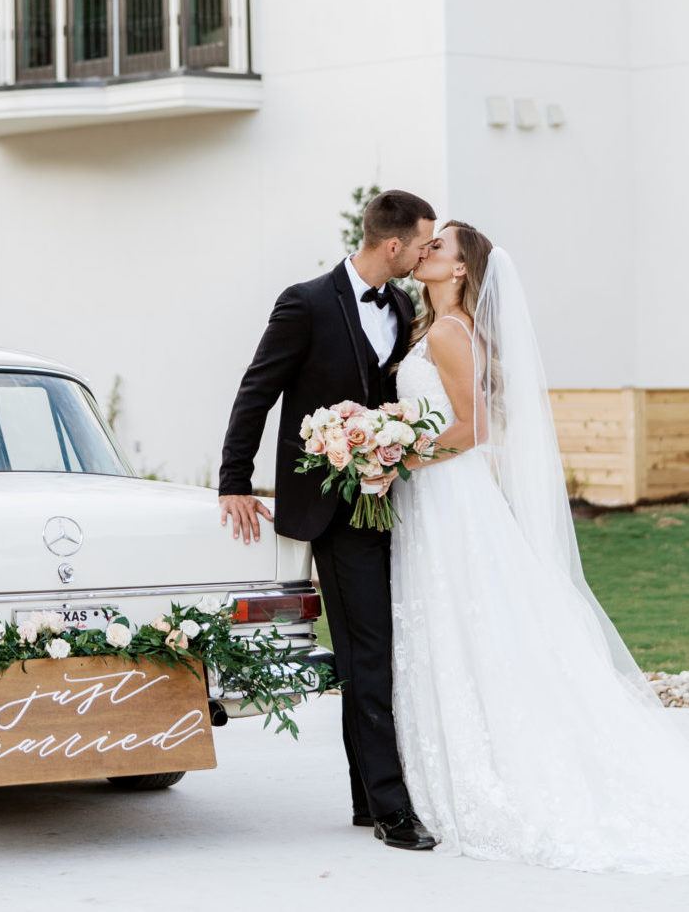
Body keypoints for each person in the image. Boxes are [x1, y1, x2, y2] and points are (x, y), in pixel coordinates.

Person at [391, 221, 689, 873]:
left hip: (446, 492)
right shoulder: (434, 327)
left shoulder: (445, 331)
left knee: (461, 618)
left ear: (461, 270)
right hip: (442, 492)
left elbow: (468, 430)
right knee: (470, 621)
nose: (424, 253)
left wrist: (395, 454)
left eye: (437, 247)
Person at [218, 189, 438, 851]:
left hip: (389, 500)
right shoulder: (304, 301)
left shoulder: (400, 305)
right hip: (331, 507)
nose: (427, 252)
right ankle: (392, 809)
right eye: (422, 242)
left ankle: (365, 795)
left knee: (371, 651)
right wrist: (233, 480)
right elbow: (257, 389)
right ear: (392, 245)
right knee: (367, 651)